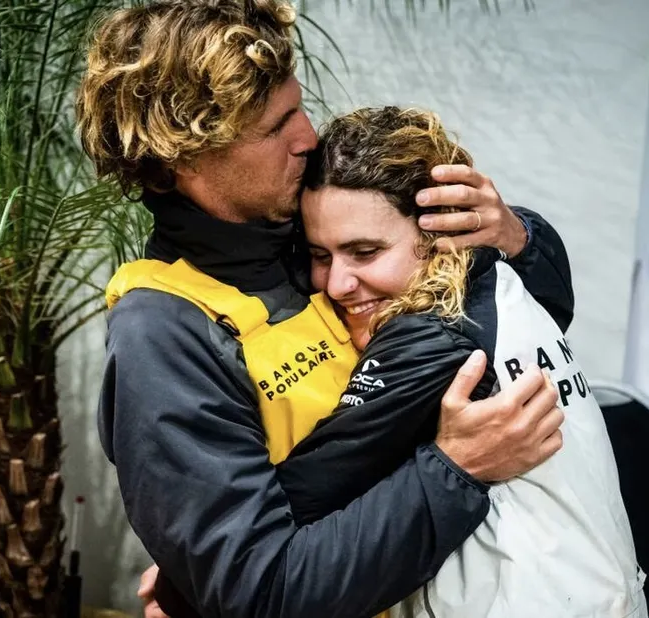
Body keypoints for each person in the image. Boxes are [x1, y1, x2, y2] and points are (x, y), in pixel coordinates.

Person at [75, 2, 572, 617]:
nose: (308, 137)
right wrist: (456, 469)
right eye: (275, 127)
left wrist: (516, 236)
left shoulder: (309, 236)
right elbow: (264, 592)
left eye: (299, 107)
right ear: (188, 157)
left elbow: (521, 319)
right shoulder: (163, 335)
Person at [268, 106, 649, 617]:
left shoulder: (436, 335)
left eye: (365, 252)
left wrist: (190, 567)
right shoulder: (500, 282)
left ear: (439, 234)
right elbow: (553, 287)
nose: (336, 283)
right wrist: (522, 229)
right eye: (320, 256)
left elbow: (303, 495)